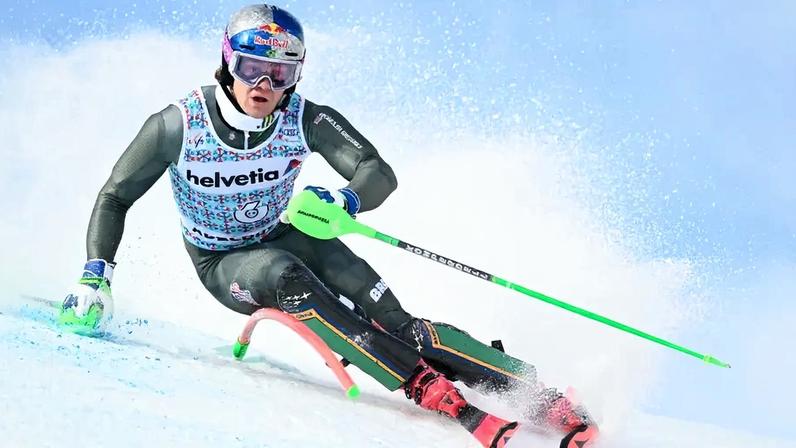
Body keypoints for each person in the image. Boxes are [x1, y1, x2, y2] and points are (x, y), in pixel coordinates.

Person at [59, 4, 598, 447]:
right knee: (289, 277)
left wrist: (346, 197)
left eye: (282, 73)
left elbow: (377, 173)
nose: (265, 84)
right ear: (228, 63)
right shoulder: (178, 124)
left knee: (399, 322)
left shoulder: (304, 117)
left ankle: (536, 394)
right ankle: (425, 386)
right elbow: (114, 196)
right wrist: (95, 275)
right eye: (252, 68)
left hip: (289, 232)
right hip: (224, 260)